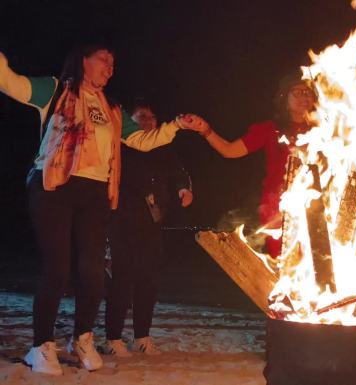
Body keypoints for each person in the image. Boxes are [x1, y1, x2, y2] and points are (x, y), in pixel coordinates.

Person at [0, 45, 204, 375]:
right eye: (104, 61)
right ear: (83, 60)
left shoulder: (112, 108)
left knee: (93, 270)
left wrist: (176, 125)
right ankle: (40, 345)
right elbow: (11, 83)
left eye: (113, 64)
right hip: (54, 186)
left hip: (95, 191)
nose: (110, 68)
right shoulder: (54, 90)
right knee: (57, 267)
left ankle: (82, 338)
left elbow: (143, 140)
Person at [183, 73, 316, 258]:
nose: (304, 96)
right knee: (288, 266)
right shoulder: (270, 129)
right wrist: (205, 131)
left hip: (317, 209)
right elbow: (229, 151)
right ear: (285, 98)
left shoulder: (326, 129)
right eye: (298, 92)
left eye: (308, 92)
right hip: (278, 212)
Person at [102, 103, 193, 357]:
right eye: (141, 116)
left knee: (148, 281)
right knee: (120, 280)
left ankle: (142, 337)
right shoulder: (120, 146)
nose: (148, 120)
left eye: (152, 116)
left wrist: (184, 188)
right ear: (129, 120)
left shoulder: (163, 148)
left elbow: (178, 171)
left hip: (152, 223)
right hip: (121, 221)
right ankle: (112, 338)